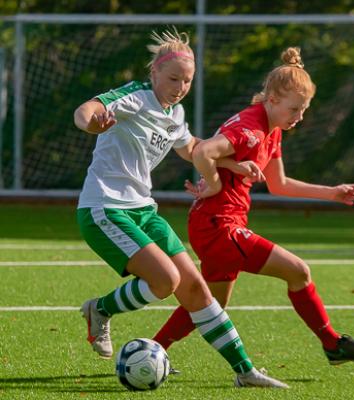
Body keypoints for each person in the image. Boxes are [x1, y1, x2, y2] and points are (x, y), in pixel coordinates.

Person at [74, 27, 289, 389]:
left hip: (143, 209)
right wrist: (92, 124)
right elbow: (87, 109)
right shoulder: (135, 97)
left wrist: (233, 165)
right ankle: (101, 308)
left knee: (196, 289)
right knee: (165, 281)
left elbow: (191, 148)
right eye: (174, 78)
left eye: (187, 81)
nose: (180, 86)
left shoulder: (175, 113)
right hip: (105, 208)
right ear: (154, 73)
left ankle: (245, 371)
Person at [153, 47, 354, 366]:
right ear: (272, 99)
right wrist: (216, 183)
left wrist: (333, 193)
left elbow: (279, 185)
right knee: (298, 271)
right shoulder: (251, 127)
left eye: (303, 110)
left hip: (218, 222)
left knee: (210, 302)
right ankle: (332, 344)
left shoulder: (270, 129)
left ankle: (152, 349)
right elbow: (203, 151)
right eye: (294, 109)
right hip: (220, 226)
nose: (299, 117)